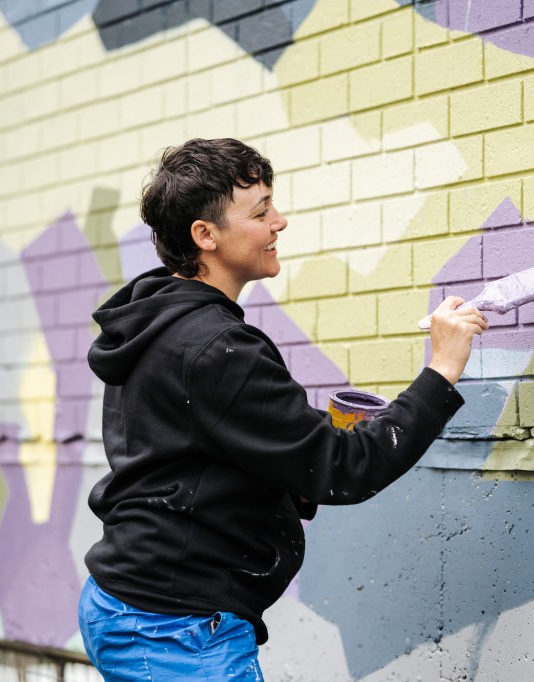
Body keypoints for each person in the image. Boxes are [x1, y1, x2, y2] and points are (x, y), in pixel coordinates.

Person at [78, 138, 488, 681]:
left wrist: (288, 465)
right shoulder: (214, 347)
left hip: (134, 605)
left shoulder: (155, 322)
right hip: (176, 628)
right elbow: (346, 467)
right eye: (261, 211)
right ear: (206, 236)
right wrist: (442, 370)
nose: (280, 221)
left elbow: (186, 454)